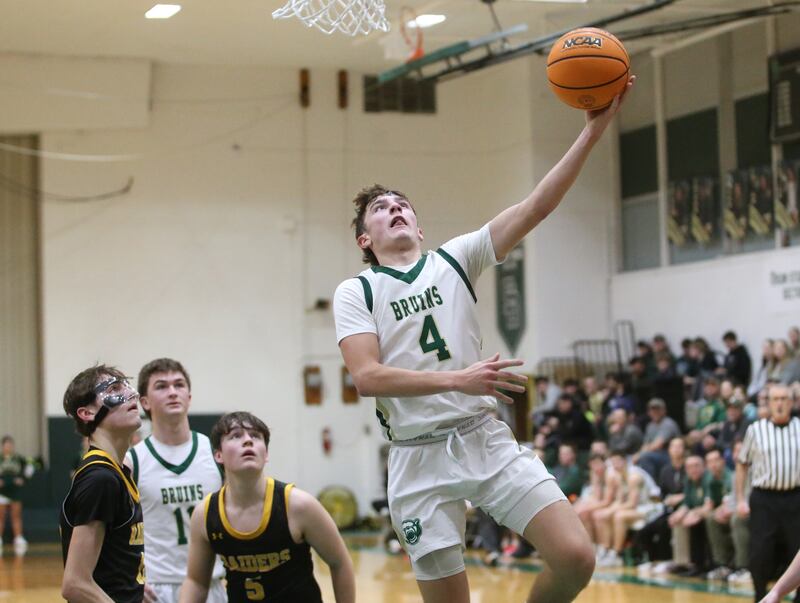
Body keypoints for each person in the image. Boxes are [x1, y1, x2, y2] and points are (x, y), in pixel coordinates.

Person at [332, 78, 634, 603]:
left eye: (403, 205)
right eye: (381, 209)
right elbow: (367, 377)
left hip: (483, 437)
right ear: (365, 238)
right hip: (416, 457)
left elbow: (535, 207)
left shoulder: (454, 259)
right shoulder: (356, 291)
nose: (396, 209)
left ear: (421, 229)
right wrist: (460, 378)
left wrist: (594, 129)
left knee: (576, 558)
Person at [179, 412, 355, 603]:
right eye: (236, 435)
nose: (248, 441)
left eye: (255, 436)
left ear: (266, 454)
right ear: (218, 455)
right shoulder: (205, 514)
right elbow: (196, 582)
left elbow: (340, 563)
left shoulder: (298, 505)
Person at [125, 358, 226, 603]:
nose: (172, 392)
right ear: (145, 402)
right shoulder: (132, 461)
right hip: (158, 588)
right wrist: (129, 576)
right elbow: (113, 531)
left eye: (179, 385)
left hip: (211, 584)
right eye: (161, 386)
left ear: (189, 397)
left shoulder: (216, 452)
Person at [60, 365, 145, 603]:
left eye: (128, 386)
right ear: (86, 413)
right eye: (115, 388)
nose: (132, 394)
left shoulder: (117, 471)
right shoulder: (101, 479)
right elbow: (75, 584)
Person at [736, 383, 800, 602]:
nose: (780, 403)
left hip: (795, 497)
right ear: (769, 403)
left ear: (792, 402)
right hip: (765, 497)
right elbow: (742, 463)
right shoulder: (756, 430)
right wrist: (740, 499)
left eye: (784, 398)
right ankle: (761, 596)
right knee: (760, 551)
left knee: (797, 548)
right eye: (776, 399)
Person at [0, 435, 33, 556]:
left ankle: (18, 537)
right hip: (2, 491)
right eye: (6, 444)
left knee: (16, 515)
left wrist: (23, 478)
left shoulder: (19, 459)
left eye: (10, 444)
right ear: (2, 446)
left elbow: (30, 468)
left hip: (15, 491)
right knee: (1, 516)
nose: (8, 447)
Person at [637, 398, 681, 480]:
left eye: (657, 410)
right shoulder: (650, 426)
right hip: (656, 455)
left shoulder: (668, 423)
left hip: (670, 455)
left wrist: (640, 454)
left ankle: (652, 488)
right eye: (652, 410)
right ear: (648, 412)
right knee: (638, 458)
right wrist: (637, 455)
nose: (655, 412)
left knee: (645, 457)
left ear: (664, 411)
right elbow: (645, 444)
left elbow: (657, 444)